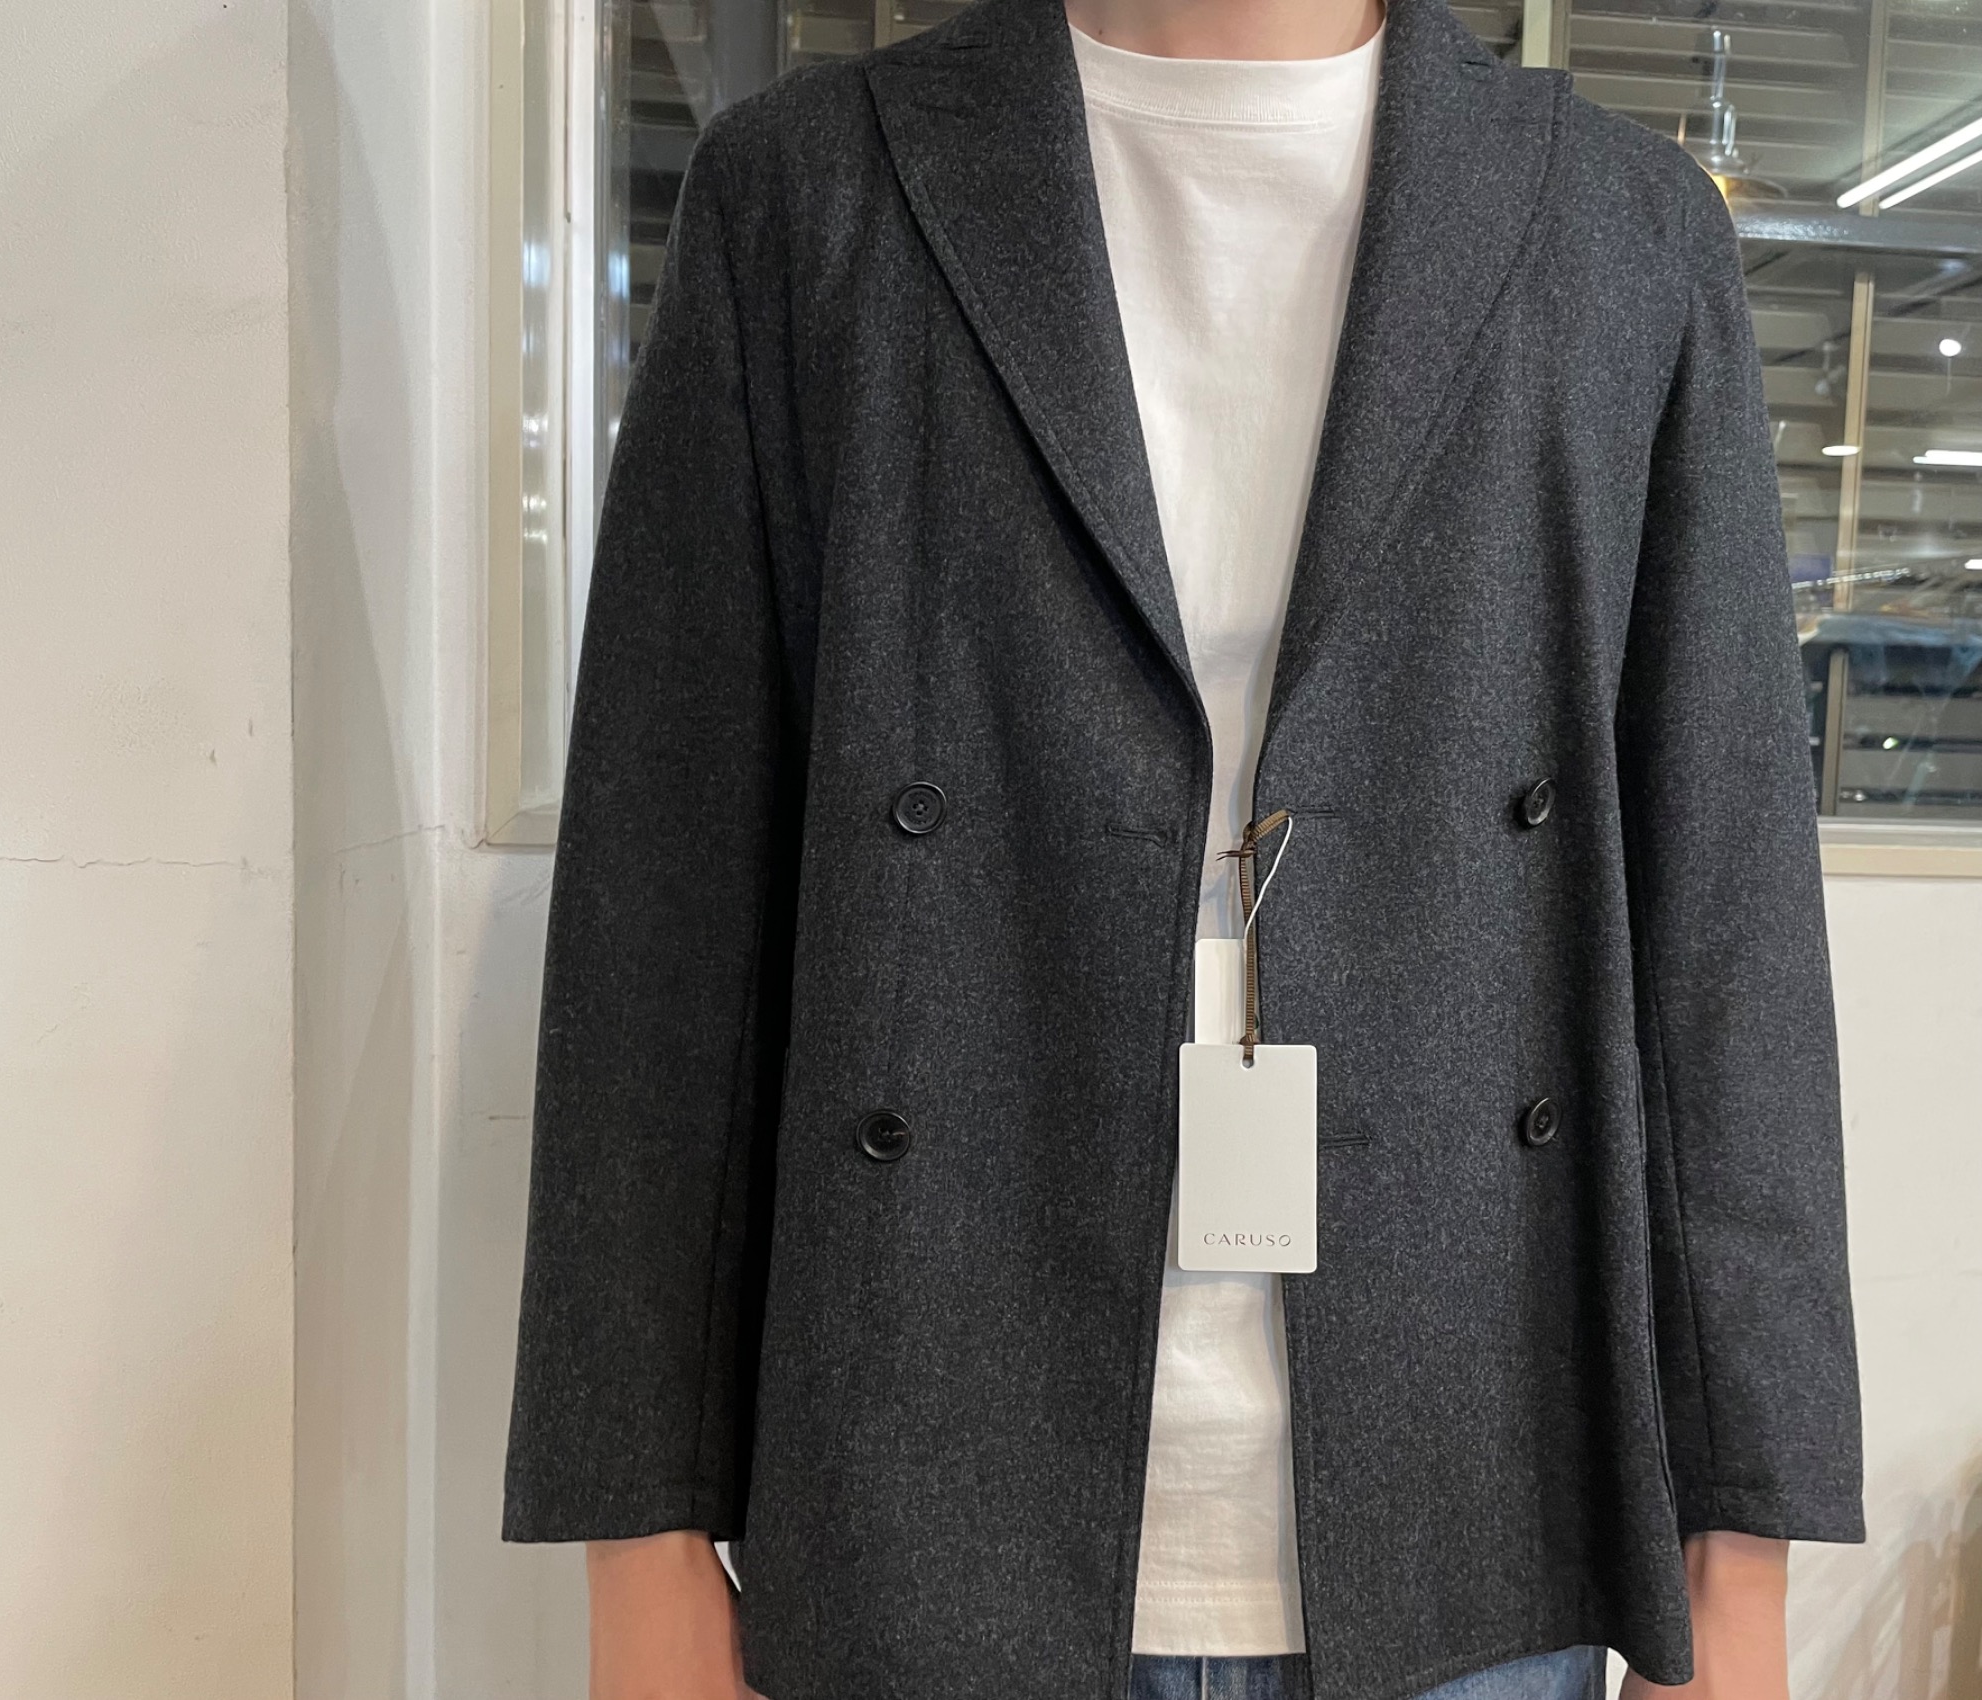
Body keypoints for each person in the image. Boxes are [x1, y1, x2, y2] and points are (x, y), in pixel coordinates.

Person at [501, 0, 1866, 1693]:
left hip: (1476, 1493)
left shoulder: (1621, 229)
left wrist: (1742, 1550)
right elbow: (664, 909)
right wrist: (638, 1540)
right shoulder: (807, 195)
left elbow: (1728, 927)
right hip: (922, 1488)